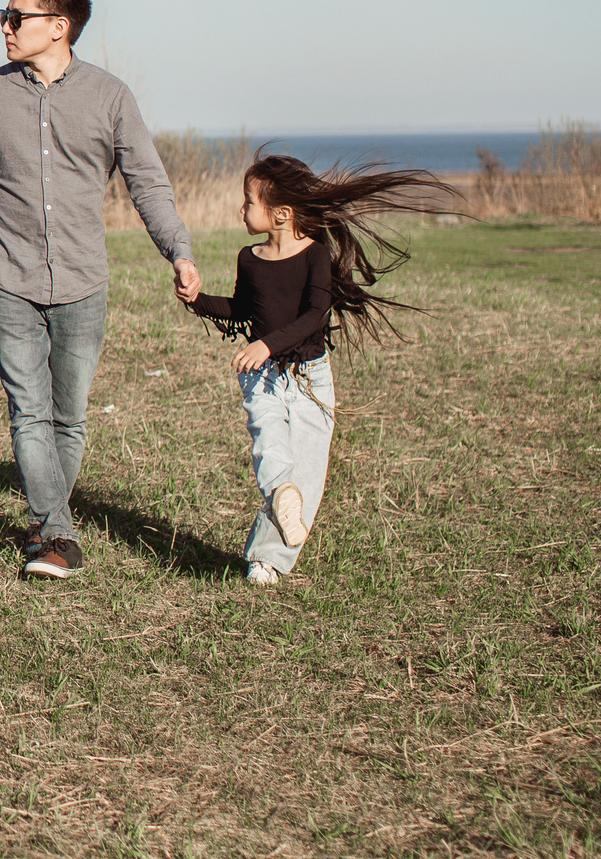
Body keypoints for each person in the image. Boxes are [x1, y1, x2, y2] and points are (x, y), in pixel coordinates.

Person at [0, 0, 198, 581]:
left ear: (59, 27)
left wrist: (178, 249)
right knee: (28, 410)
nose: (6, 27)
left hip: (82, 279)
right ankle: (58, 535)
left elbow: (146, 180)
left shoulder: (111, 96)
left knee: (69, 415)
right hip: (7, 276)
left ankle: (47, 522)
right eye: (4, 16)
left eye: (17, 18)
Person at [177, 153, 452, 584]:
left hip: (311, 380)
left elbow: (315, 316)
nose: (242, 210)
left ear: (281, 213)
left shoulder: (315, 256)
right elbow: (242, 310)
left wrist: (266, 344)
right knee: (270, 450)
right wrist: (196, 300)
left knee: (305, 474)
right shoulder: (248, 259)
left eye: (248, 202)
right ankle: (279, 504)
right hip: (263, 380)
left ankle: (267, 562)